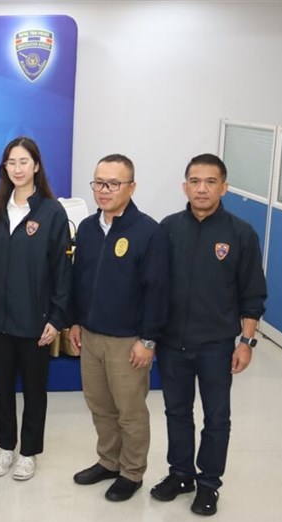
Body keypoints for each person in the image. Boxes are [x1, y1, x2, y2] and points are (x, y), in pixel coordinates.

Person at [150, 153, 267, 516]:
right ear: (184, 186)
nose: (202, 188)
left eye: (210, 181)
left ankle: (209, 483)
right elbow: (154, 287)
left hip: (216, 345)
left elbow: (252, 294)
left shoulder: (240, 233)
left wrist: (245, 343)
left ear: (224, 187)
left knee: (217, 418)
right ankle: (180, 474)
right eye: (195, 181)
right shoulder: (167, 228)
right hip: (172, 344)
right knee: (176, 412)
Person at [0, 136, 72, 481]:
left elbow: (62, 271)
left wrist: (57, 318)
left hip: (35, 320)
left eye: (24, 162)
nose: (17, 168)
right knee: (1, 388)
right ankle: (5, 448)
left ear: (37, 166)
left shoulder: (51, 212)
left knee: (34, 389)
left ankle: (28, 452)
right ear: (5, 167)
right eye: (11, 162)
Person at [68, 154, 169, 502]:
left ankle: (131, 472)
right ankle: (108, 462)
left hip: (129, 341)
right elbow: (79, 280)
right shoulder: (87, 228)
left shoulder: (148, 232)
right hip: (91, 335)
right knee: (99, 406)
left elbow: (157, 290)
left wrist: (148, 340)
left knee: (130, 411)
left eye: (113, 183)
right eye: (98, 182)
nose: (104, 190)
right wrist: (76, 321)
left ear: (132, 187)